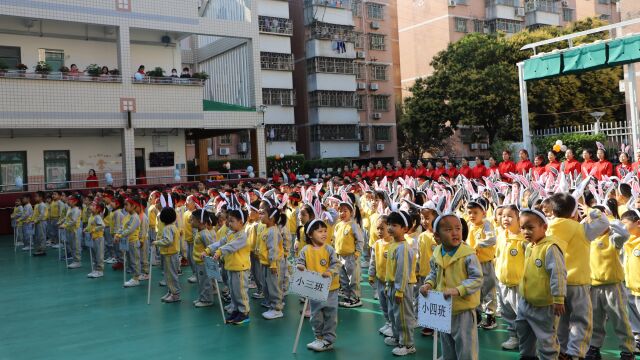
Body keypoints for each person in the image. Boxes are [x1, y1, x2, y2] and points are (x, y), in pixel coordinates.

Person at [547, 193, 609, 359]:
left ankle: (562, 351)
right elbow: (604, 222)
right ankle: (575, 353)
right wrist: (590, 210)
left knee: (561, 321)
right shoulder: (582, 229)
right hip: (578, 283)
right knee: (581, 321)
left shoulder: (547, 227)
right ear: (574, 212)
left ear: (552, 211)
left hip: (556, 283)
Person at [421, 214, 483, 360]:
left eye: (458, 228)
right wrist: (428, 284)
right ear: (437, 236)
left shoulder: (468, 255)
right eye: (448, 229)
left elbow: (477, 279)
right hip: (443, 308)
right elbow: (433, 273)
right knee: (447, 347)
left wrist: (459, 289)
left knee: (466, 349)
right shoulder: (436, 253)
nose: (455, 232)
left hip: (463, 311)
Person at [516, 209, 566, 360]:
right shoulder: (530, 246)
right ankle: (527, 356)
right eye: (523, 228)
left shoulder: (550, 247)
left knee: (546, 339)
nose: (526, 231)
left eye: (530, 228)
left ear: (544, 227)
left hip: (544, 305)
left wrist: (558, 298)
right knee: (524, 332)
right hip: (526, 302)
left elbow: (558, 274)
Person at [587, 213, 635, 360]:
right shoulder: (589, 239)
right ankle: (594, 347)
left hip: (613, 287)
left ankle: (628, 350)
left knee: (620, 319)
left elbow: (624, 233)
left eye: (598, 223)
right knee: (595, 320)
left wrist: (609, 220)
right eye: (593, 223)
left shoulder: (613, 239)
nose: (595, 226)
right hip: (593, 286)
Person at [297, 218, 340, 352]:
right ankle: (319, 338)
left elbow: (336, 264)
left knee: (330, 315)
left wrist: (330, 271)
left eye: (325, 231)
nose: (324, 234)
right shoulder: (305, 250)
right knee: (316, 316)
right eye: (320, 231)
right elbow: (300, 261)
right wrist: (300, 266)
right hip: (314, 289)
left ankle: (328, 340)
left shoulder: (329, 249)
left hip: (330, 289)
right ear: (310, 234)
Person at [207, 204, 251, 324]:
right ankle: (237, 310)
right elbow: (220, 242)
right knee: (233, 291)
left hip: (240, 269)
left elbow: (231, 246)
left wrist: (220, 251)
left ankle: (244, 313)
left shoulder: (243, 236)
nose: (229, 223)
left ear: (241, 222)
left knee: (240, 291)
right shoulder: (231, 234)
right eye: (228, 221)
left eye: (232, 221)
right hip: (231, 267)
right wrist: (208, 249)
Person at [384, 210, 418, 356]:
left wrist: (399, 290)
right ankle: (398, 337)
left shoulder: (403, 248)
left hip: (402, 287)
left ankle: (408, 344)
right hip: (393, 286)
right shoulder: (393, 245)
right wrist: (388, 285)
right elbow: (391, 269)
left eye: (395, 225)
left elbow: (402, 272)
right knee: (394, 314)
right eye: (389, 224)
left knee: (404, 316)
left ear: (405, 228)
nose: (390, 228)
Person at [495, 205, 526, 350]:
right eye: (503, 215)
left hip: (518, 284)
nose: (505, 219)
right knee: (508, 313)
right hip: (503, 282)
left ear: (518, 219)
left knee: (521, 313)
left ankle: (524, 339)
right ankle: (513, 337)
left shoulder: (524, 239)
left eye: (509, 216)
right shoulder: (502, 235)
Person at [466, 199, 497, 329]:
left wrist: (478, 245)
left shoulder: (487, 225)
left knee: (489, 289)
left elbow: (492, 239)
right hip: (473, 263)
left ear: (483, 213)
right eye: (470, 212)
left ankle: (491, 316)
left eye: (475, 212)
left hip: (486, 263)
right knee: (476, 289)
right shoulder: (469, 225)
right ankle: (477, 315)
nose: (472, 215)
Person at [257, 198, 286, 319]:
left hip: (273, 264)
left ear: (272, 218)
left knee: (274, 286)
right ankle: (272, 305)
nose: (260, 215)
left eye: (263, 213)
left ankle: (277, 308)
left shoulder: (273, 231)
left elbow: (273, 249)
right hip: (266, 263)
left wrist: (273, 264)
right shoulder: (266, 229)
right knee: (267, 285)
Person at [334, 195, 364, 308]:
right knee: (343, 278)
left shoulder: (353, 225)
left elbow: (360, 240)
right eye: (340, 211)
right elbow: (336, 240)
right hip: (340, 256)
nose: (342, 213)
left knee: (353, 279)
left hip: (351, 256)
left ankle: (355, 298)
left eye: (345, 211)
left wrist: (357, 252)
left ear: (351, 213)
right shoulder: (338, 225)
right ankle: (348, 297)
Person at [369, 215, 393, 337]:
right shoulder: (376, 244)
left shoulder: (394, 244)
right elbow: (373, 261)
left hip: (390, 282)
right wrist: (371, 275)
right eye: (377, 228)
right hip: (380, 280)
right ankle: (388, 322)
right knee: (383, 304)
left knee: (391, 305)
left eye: (382, 228)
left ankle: (393, 325)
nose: (379, 231)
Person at [152, 202, 181, 303]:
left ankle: (175, 294)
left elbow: (167, 240)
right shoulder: (173, 226)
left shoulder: (167, 228)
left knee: (171, 275)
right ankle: (171, 291)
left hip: (170, 254)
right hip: (171, 253)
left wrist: (156, 242)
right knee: (169, 274)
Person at [115, 197, 142, 287]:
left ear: (133, 206)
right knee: (130, 260)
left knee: (135, 260)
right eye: (124, 204)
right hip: (127, 242)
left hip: (133, 242)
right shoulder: (127, 216)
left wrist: (120, 235)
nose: (125, 207)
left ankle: (136, 278)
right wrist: (117, 233)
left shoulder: (135, 217)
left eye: (127, 205)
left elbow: (130, 230)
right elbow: (123, 227)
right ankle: (134, 277)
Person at [192, 209, 216, 308]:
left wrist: (211, 261)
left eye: (193, 220)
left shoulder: (204, 234)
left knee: (205, 282)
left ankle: (207, 300)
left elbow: (211, 247)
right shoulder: (199, 232)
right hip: (199, 262)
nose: (191, 222)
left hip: (204, 263)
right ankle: (202, 297)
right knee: (200, 281)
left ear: (200, 221)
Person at [85, 201, 106, 278]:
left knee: (99, 255)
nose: (91, 207)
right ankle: (95, 269)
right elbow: (90, 225)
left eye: (94, 206)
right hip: (92, 238)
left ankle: (100, 271)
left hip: (98, 238)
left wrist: (94, 229)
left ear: (98, 209)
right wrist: (86, 229)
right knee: (94, 254)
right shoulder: (91, 216)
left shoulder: (98, 217)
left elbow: (102, 225)